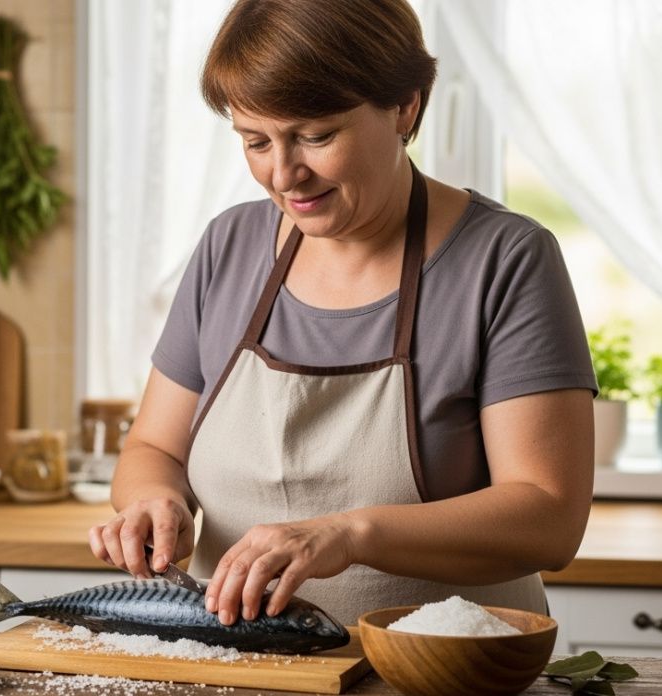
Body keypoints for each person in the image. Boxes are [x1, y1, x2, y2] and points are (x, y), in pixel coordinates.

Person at [87, 0, 598, 628]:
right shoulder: (229, 246)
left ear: (406, 105)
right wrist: (153, 501)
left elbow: (548, 518)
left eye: (315, 135)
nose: (283, 175)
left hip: (440, 675)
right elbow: (152, 447)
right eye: (255, 141)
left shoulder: (505, 259)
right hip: (239, 668)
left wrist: (348, 534)